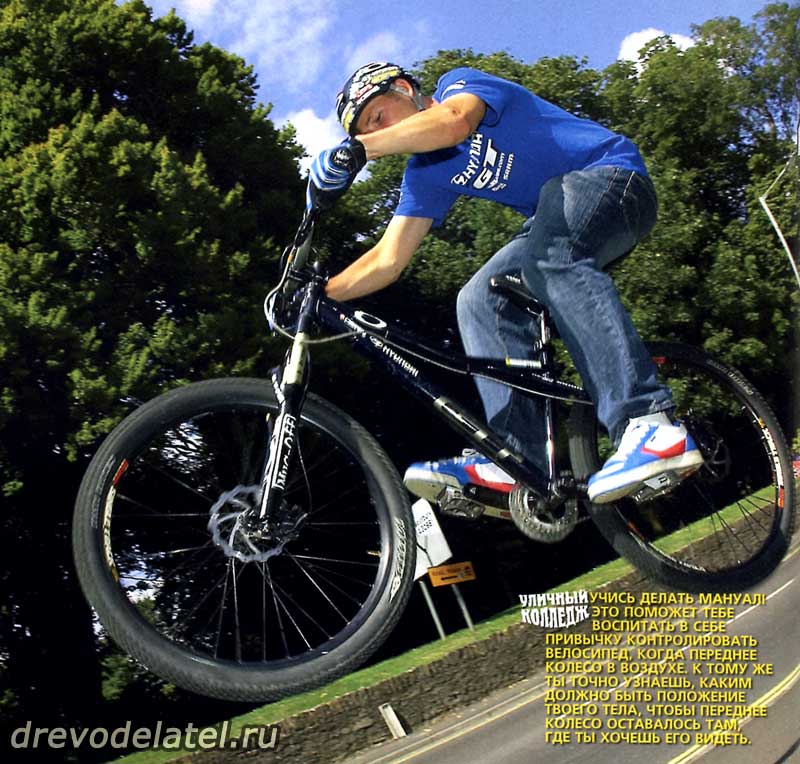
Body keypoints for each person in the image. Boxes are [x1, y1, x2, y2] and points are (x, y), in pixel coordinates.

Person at [307, 61, 703, 504]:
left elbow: (454, 123)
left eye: (378, 117)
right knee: (479, 298)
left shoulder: (459, 87)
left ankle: (648, 422)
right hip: (554, 219)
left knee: (550, 256)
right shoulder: (425, 173)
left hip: (610, 178)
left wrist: (360, 149)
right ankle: (517, 459)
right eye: (365, 130)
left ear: (404, 88)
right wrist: (318, 295)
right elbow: (387, 259)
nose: (376, 133)